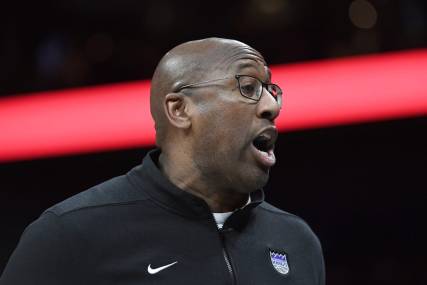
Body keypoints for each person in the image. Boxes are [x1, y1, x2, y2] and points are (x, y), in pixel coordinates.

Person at [0, 38, 325, 284]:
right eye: (249, 86)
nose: (272, 105)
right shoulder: (68, 235)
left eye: (272, 89)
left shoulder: (296, 241)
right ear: (180, 110)